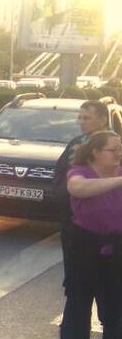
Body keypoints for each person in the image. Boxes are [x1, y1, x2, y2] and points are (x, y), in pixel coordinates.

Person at [60, 131, 122, 339]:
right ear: (96, 152)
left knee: (116, 299)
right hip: (84, 242)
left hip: (117, 243)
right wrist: (118, 181)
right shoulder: (80, 171)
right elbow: (77, 189)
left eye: (121, 148)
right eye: (113, 149)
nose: (119, 153)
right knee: (79, 295)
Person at [55, 100, 110, 286]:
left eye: (86, 118)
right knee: (75, 278)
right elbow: (60, 172)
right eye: (79, 117)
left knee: (104, 277)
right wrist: (63, 197)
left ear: (103, 120)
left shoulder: (113, 145)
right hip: (73, 217)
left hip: (104, 220)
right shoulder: (76, 143)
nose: (80, 122)